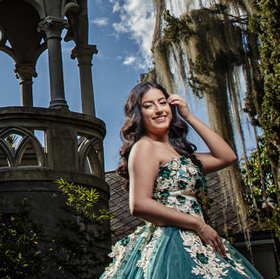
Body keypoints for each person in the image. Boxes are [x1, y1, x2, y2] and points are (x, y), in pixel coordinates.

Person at [99, 81, 264, 279]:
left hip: (198, 237)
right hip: (171, 242)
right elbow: (139, 204)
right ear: (138, 114)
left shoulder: (180, 155)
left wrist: (188, 116)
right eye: (149, 105)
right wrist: (198, 225)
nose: (159, 110)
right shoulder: (144, 147)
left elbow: (226, 156)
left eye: (162, 102)